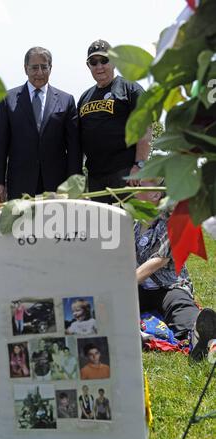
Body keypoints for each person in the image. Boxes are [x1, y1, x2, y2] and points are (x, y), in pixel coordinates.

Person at [134, 179, 216, 361]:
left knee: (179, 305)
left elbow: (159, 259)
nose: (134, 187)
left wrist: (126, 281)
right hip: (139, 287)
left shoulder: (173, 221)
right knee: (114, 306)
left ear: (156, 194)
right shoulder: (132, 220)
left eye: (140, 185)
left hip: (169, 286)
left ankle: (201, 336)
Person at [0, 46, 82, 202]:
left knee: (57, 227)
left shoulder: (66, 100)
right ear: (26, 69)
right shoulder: (8, 99)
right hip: (20, 184)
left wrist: (74, 183)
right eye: (34, 67)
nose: (39, 72)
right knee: (22, 226)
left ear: (50, 68)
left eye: (44, 67)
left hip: (57, 186)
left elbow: (74, 148)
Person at [78, 39, 152, 204]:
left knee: (126, 226)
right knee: (100, 228)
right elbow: (80, 138)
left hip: (125, 173)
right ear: (88, 65)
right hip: (95, 176)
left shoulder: (131, 88)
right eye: (94, 62)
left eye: (104, 60)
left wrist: (139, 165)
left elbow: (145, 129)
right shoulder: (84, 97)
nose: (99, 66)